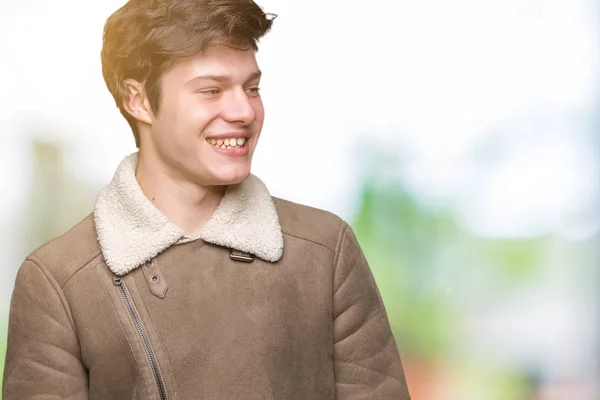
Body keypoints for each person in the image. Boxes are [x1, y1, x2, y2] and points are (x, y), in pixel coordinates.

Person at [2, 0, 411, 398]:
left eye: (252, 87)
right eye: (212, 90)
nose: (244, 111)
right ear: (138, 100)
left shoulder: (325, 251)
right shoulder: (58, 280)